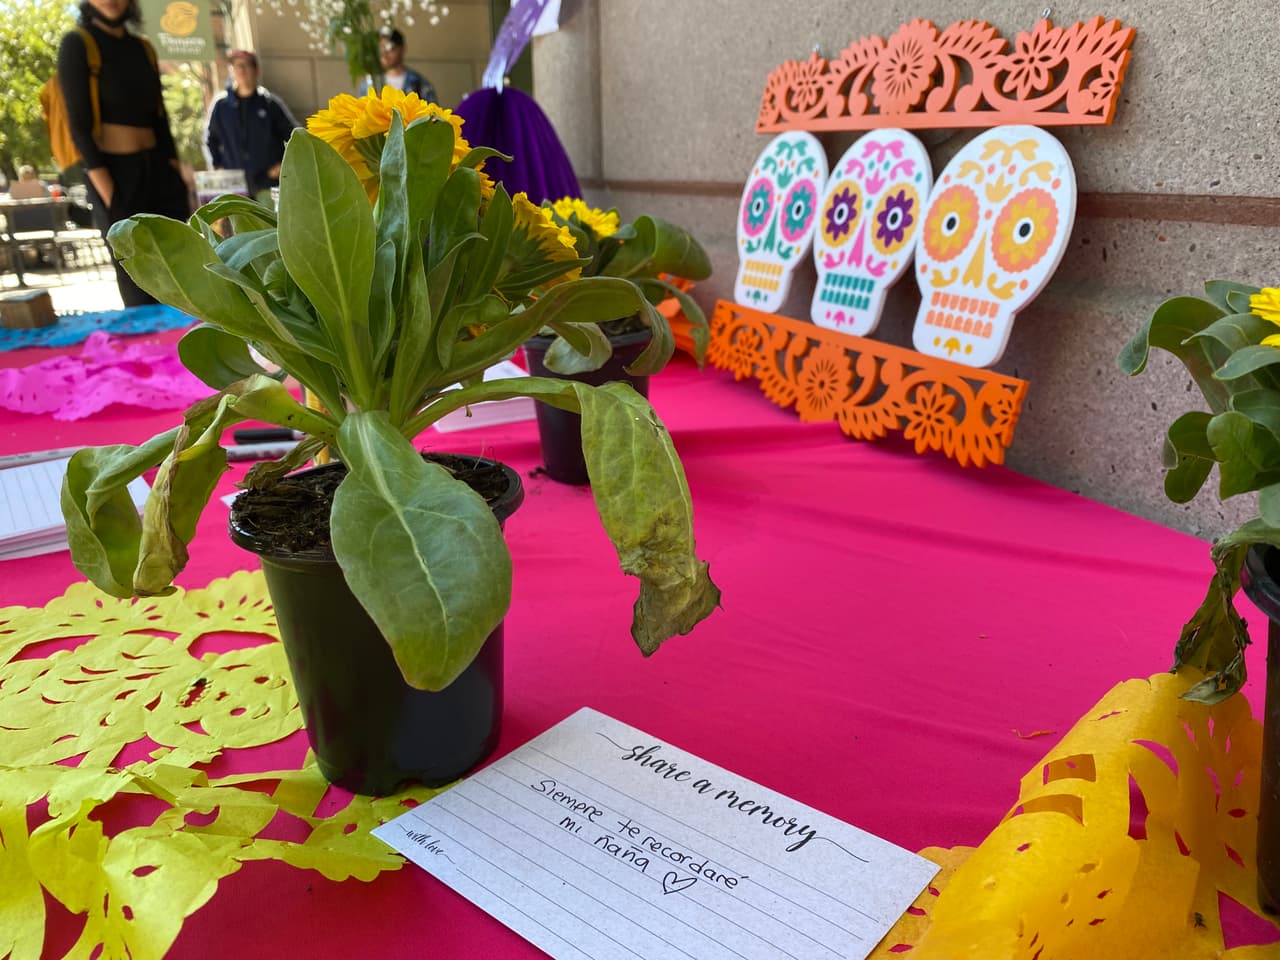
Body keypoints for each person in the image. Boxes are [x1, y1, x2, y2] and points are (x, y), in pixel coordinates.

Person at [57, 0, 189, 307]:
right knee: (137, 280)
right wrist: (109, 193)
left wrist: (176, 171)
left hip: (159, 170)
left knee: (180, 269)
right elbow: (78, 126)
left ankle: (188, 336)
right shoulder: (78, 43)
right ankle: (149, 339)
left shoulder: (143, 48)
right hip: (115, 175)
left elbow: (160, 117)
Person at [203, 49, 301, 198]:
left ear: (257, 70)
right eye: (237, 66)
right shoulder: (221, 106)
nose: (241, 70)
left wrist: (283, 165)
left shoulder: (270, 104)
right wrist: (216, 166)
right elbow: (210, 140)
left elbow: (294, 136)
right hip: (234, 187)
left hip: (268, 184)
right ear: (231, 71)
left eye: (246, 65)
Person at [356, 27, 438, 102]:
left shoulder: (419, 83)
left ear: (403, 48)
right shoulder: (369, 83)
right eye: (381, 48)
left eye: (390, 48)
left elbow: (433, 111)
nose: (384, 54)